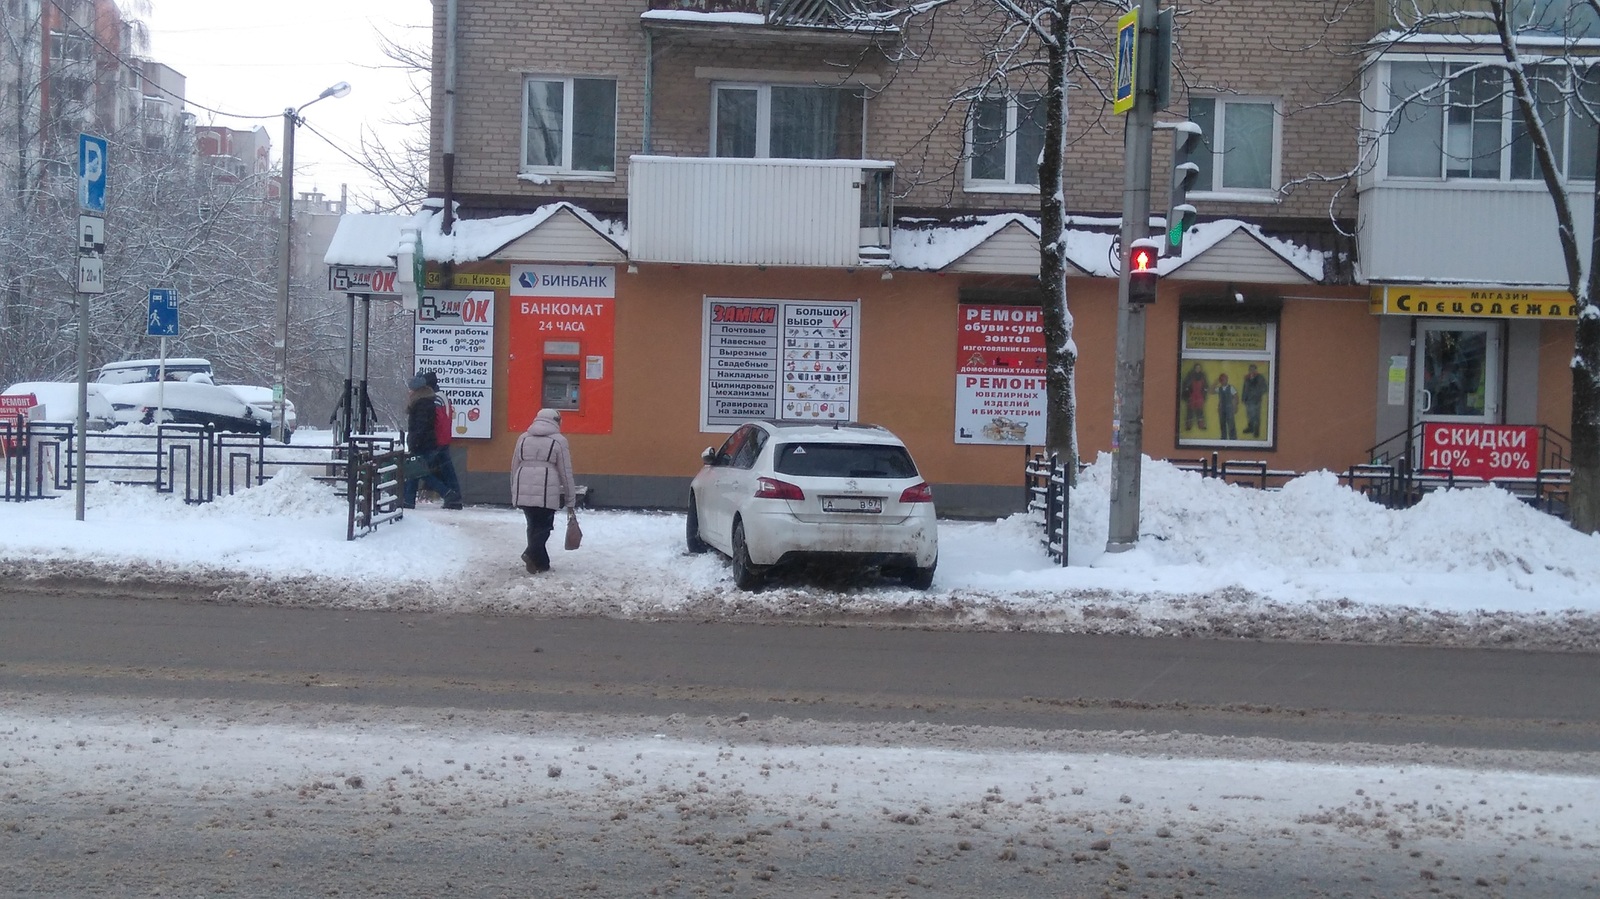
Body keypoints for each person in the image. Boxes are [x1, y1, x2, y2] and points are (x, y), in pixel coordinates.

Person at [510, 408, 577, 574]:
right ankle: (530, 553)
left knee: (532, 525)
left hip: (523, 485)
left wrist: (514, 490)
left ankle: (541, 563)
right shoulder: (559, 441)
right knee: (545, 527)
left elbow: (514, 465)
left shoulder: (523, 438)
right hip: (547, 488)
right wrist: (570, 498)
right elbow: (565, 472)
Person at [402, 373, 462, 510]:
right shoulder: (440, 397)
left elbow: (423, 425)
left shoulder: (428, 401)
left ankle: (449, 494)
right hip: (438, 440)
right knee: (420, 470)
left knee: (419, 471)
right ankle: (409, 500)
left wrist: (414, 441)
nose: (409, 391)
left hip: (430, 443)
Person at [422, 371, 463, 500]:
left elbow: (434, 421)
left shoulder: (434, 399)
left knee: (420, 470)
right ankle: (455, 495)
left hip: (437, 440)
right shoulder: (444, 396)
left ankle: (448, 493)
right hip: (445, 438)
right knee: (448, 470)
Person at [1241, 363, 1268, 437]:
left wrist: (1257, 393)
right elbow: (1245, 388)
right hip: (1248, 401)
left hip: (1256, 401)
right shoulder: (1247, 378)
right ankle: (1251, 428)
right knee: (1249, 415)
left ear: (1256, 370)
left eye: (1253, 369)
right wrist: (1243, 398)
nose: (1251, 371)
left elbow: (1265, 388)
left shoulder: (1260, 378)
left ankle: (1256, 431)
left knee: (1256, 416)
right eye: (1250, 369)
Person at [1181, 362, 1209, 431]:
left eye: (1199, 368)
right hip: (1192, 395)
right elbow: (1185, 385)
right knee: (1190, 411)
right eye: (1197, 368)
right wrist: (1187, 393)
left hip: (1199, 396)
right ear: (1194, 368)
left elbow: (1205, 386)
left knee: (1200, 411)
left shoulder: (1202, 376)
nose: (1198, 369)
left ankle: (1201, 425)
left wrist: (1204, 392)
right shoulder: (1190, 375)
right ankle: (1188, 425)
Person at [1214, 372, 1239, 441]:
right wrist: (1216, 382)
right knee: (1222, 424)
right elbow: (1211, 391)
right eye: (1222, 379)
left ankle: (1233, 439)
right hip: (1221, 409)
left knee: (1231, 424)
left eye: (1225, 379)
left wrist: (1235, 406)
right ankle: (1223, 439)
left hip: (1229, 408)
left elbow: (1236, 396)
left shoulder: (1231, 388)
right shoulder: (1219, 389)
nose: (1224, 380)